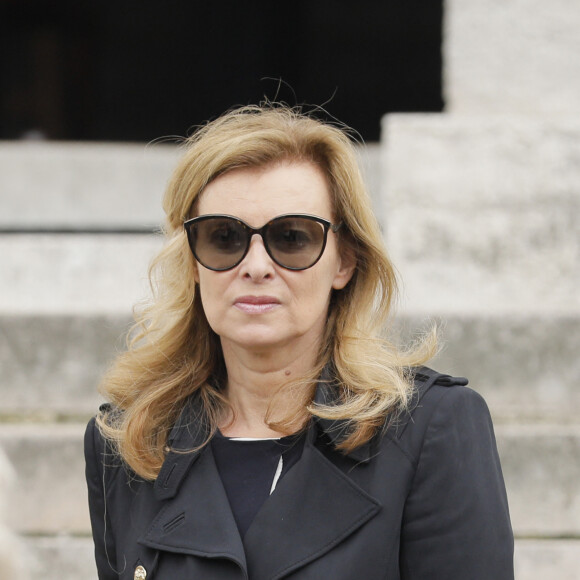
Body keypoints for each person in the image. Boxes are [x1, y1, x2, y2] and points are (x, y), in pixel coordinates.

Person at [85, 104, 514, 580]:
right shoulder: (130, 440)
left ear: (344, 262)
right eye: (223, 237)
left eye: (291, 237)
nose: (256, 266)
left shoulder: (431, 429)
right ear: (192, 262)